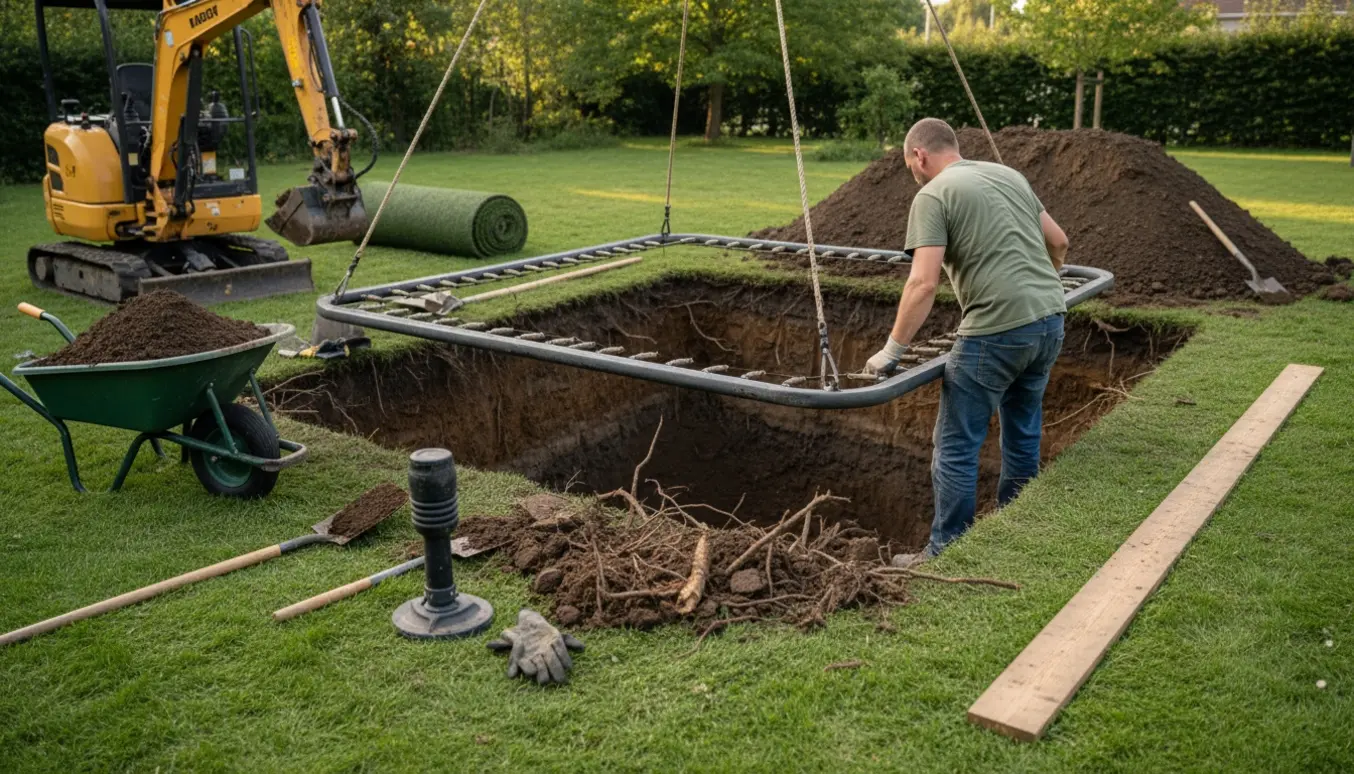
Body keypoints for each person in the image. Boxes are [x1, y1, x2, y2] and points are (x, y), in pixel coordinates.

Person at [863, 118, 1070, 568]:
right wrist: (1040, 286)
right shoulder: (1008, 175)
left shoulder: (933, 194)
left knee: (957, 444)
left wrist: (891, 351)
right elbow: (1059, 241)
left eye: (909, 164)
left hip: (995, 330)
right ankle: (1015, 526)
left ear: (919, 155)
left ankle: (946, 550)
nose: (912, 174)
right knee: (1023, 429)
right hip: (1051, 320)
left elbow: (922, 283)